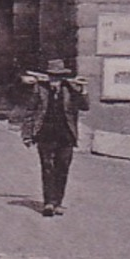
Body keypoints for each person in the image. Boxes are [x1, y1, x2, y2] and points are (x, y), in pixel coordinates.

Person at [21, 59, 89, 217]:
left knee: (63, 167)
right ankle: (49, 203)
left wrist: (83, 89)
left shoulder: (71, 89)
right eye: (52, 77)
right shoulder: (39, 89)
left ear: (63, 78)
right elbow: (30, 112)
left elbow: (85, 106)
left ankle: (58, 201)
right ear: (48, 77)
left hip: (66, 135)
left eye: (58, 77)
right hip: (45, 133)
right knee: (47, 166)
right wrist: (27, 135)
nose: (55, 81)